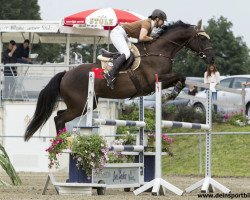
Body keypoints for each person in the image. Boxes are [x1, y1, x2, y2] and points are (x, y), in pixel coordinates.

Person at [104, 9, 167, 89]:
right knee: (127, 54)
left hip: (123, 35)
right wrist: (152, 38)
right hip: (118, 33)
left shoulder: (150, 26)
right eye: (163, 21)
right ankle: (110, 74)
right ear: (157, 19)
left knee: (130, 54)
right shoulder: (147, 23)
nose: (163, 23)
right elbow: (142, 37)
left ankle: (111, 56)